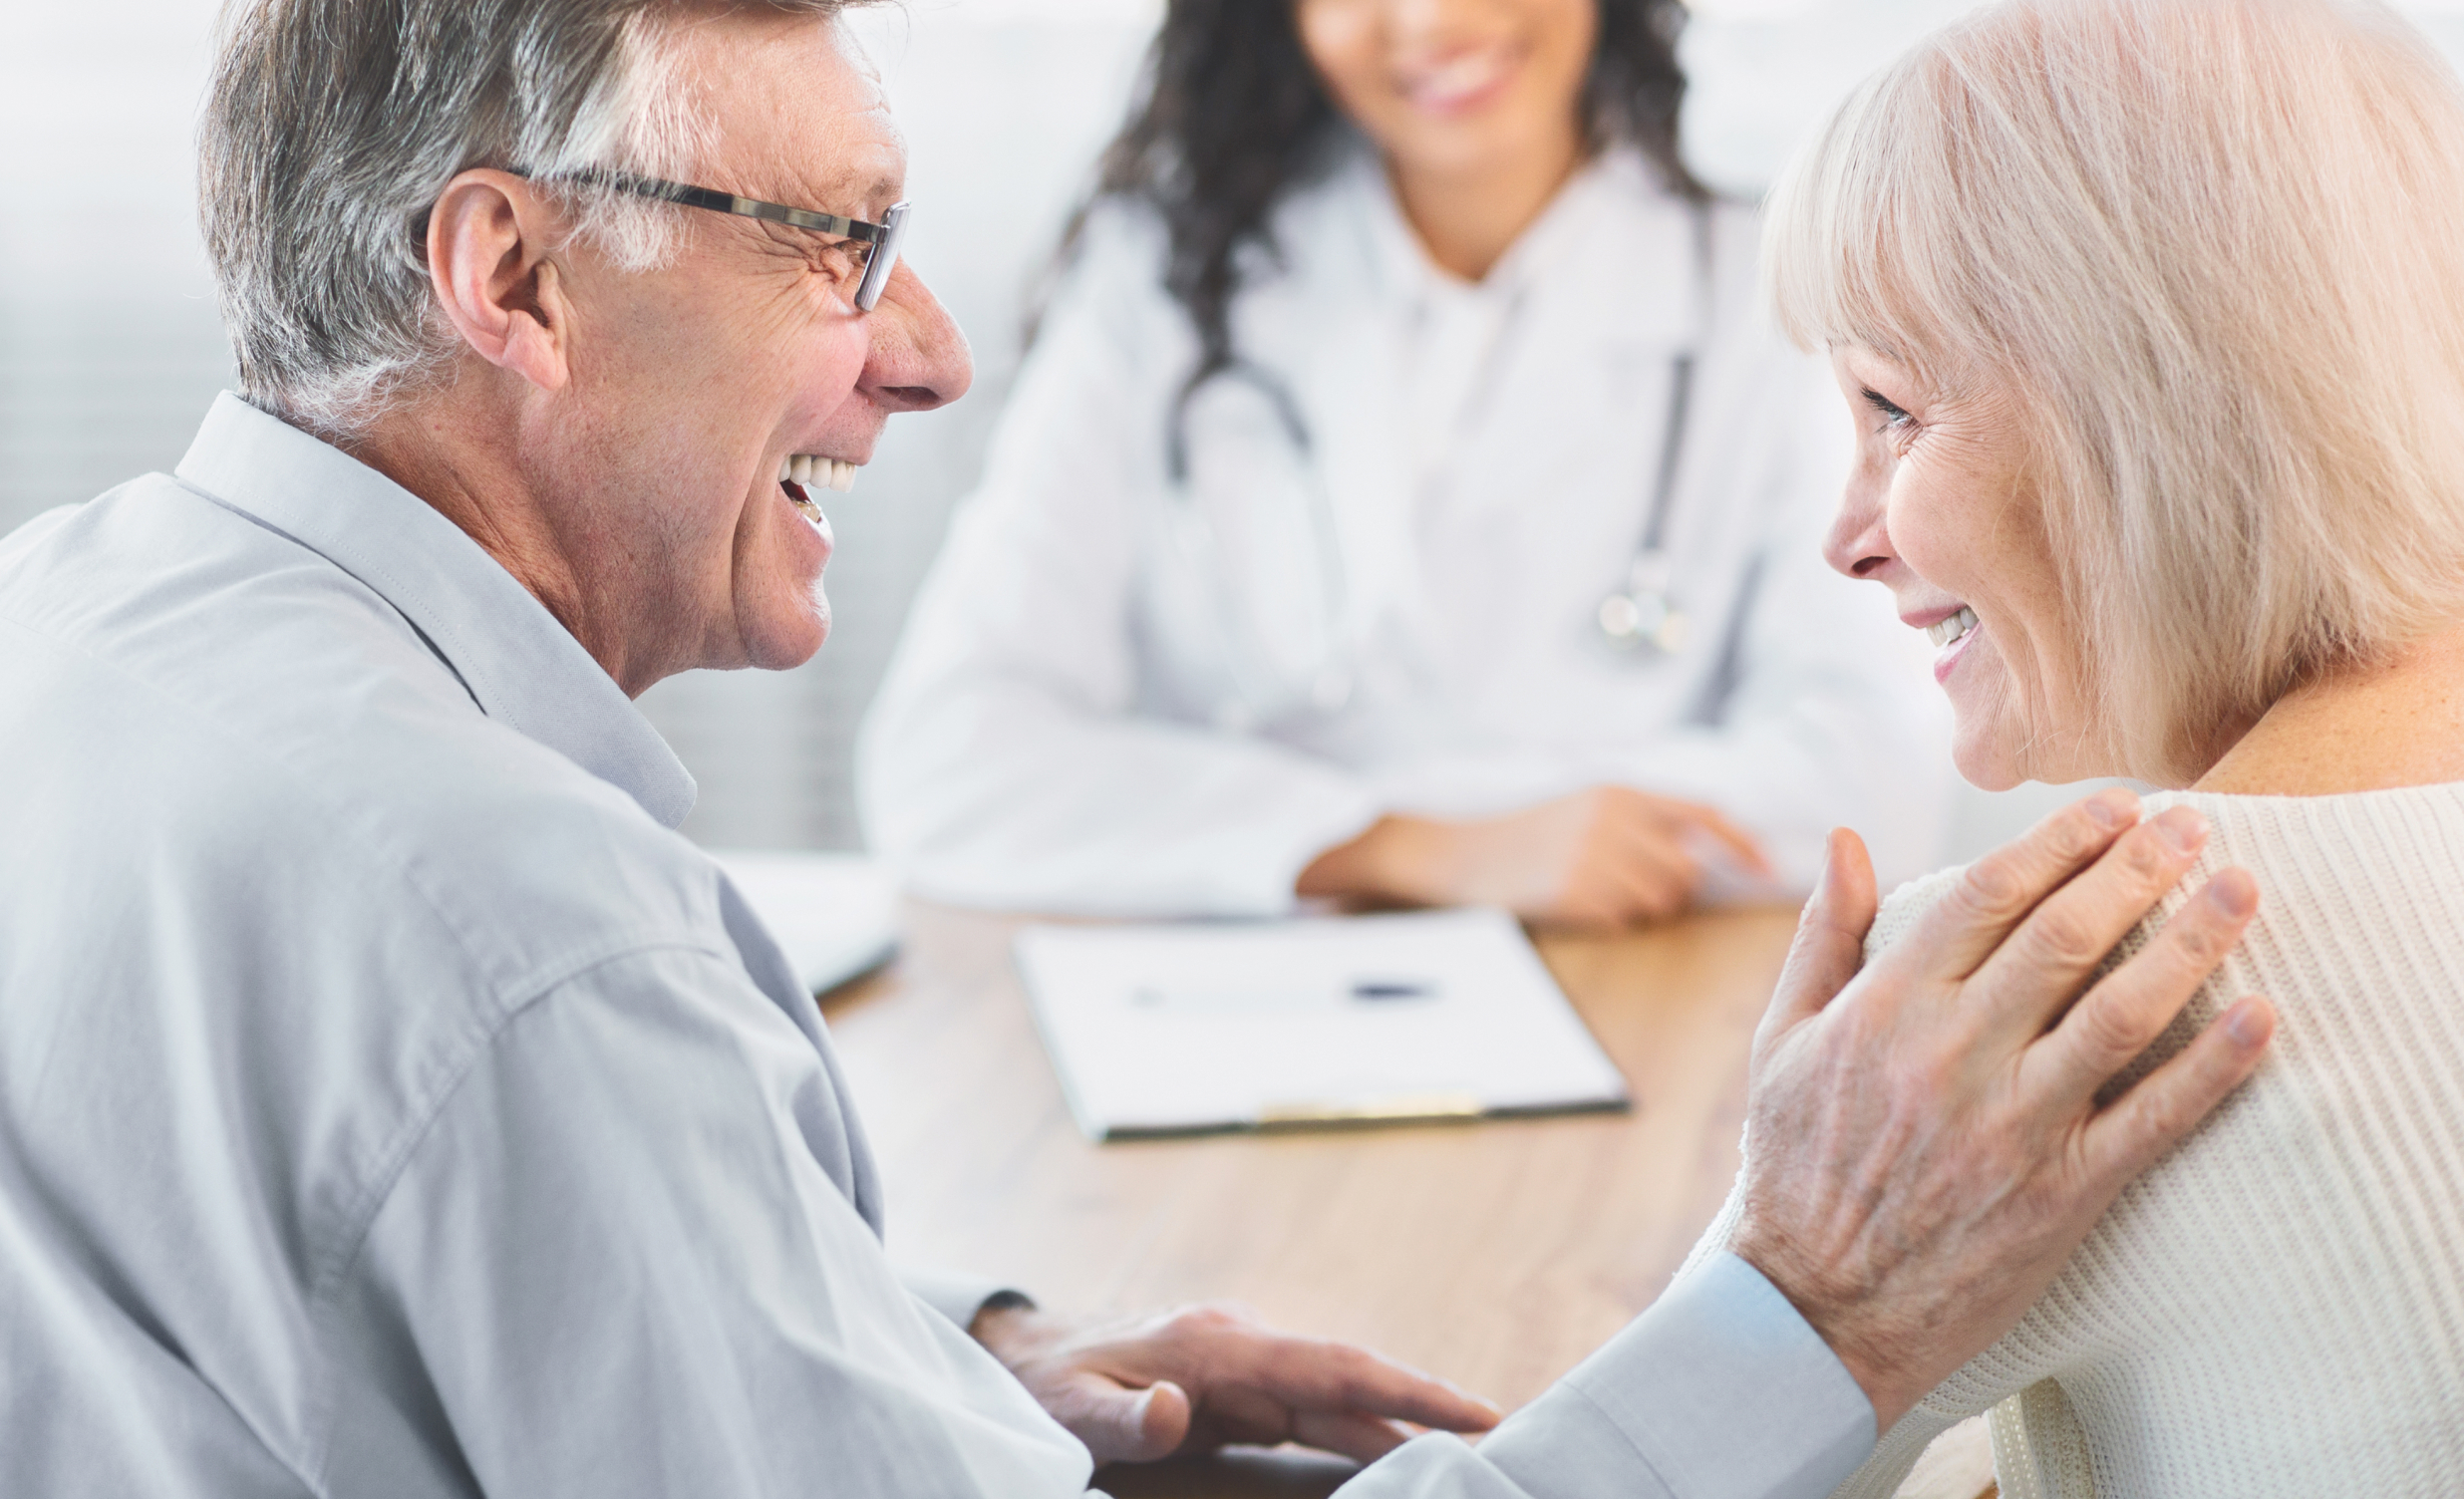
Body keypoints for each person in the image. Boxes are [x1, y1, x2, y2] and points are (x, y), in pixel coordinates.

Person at [0, 0, 2274, 1495]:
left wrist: (952, 1347)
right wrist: (1813, 1307)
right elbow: (877, 814)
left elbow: (413, 1262)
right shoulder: (522, 921)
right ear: (509, 280)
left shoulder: (68, 612)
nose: (931, 354)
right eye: (838, 249)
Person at [1676, 0, 2464, 1492]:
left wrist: (1787, 1263)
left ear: (2154, 399)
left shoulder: (2076, 989)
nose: (1849, 538)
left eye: (1894, 411)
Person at [854, 0, 1955, 929]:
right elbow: (945, 765)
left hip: (1646, 1013)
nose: (1428, 19)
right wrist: (1398, 846)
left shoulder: (1763, 290)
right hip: (1244, 1040)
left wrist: (1277, 822)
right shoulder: (1161, 285)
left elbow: (1876, 784)